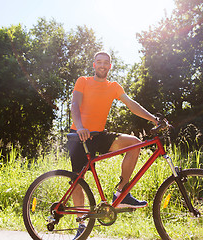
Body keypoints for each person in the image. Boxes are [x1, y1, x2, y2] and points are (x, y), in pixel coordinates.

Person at [68, 51, 158, 239]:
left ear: (110, 66)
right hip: (79, 136)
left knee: (135, 143)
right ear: (94, 65)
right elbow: (74, 105)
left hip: (99, 135)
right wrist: (81, 127)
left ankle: (121, 193)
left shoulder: (114, 87)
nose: (102, 65)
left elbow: (131, 104)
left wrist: (153, 119)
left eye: (106, 63)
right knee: (78, 180)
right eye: (99, 62)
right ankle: (81, 225)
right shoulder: (83, 81)